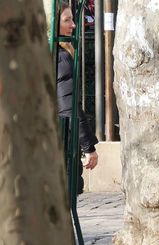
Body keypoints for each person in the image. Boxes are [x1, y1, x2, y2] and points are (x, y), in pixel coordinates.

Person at [57, 2, 98, 194]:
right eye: (67, 20)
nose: (73, 25)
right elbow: (68, 105)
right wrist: (88, 146)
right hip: (60, 139)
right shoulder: (60, 57)